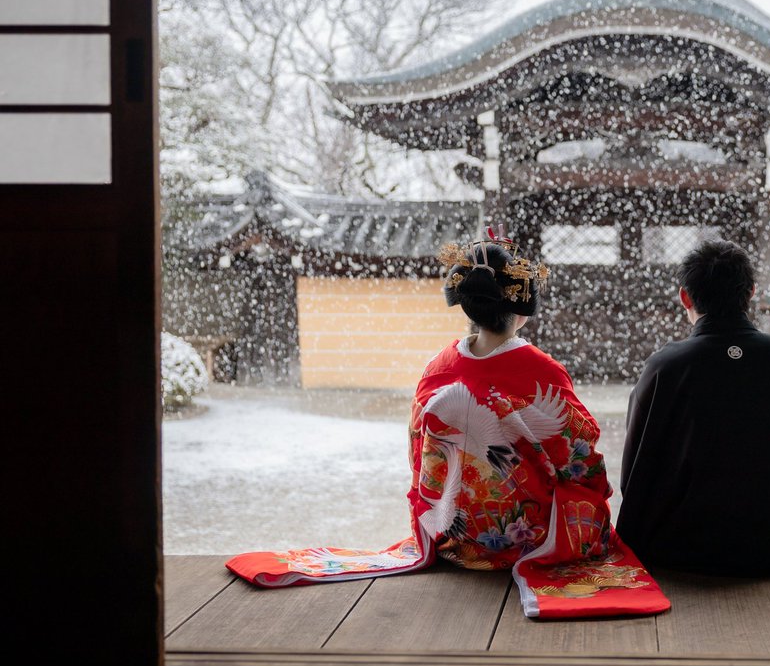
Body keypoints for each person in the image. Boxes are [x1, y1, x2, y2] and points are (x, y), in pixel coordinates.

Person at [226, 227, 670, 620]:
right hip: (530, 536)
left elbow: (419, 455)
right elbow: (581, 458)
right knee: (584, 495)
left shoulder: (438, 366)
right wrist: (592, 497)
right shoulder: (541, 372)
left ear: (468, 308)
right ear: (522, 310)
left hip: (453, 534)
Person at [616, 239, 770, 576]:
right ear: (751, 293)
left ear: (685, 297)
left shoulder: (666, 367)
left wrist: (635, 541)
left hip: (682, 550)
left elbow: (638, 469)